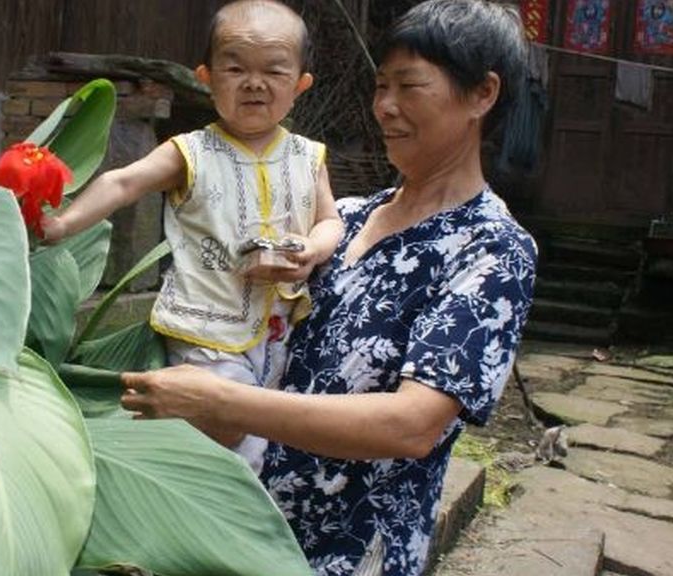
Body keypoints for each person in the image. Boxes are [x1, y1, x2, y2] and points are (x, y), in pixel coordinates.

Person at [120, 1, 537, 575]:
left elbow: (413, 426)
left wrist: (220, 400)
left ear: (482, 94)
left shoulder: (491, 249)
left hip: (348, 553)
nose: (385, 107)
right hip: (241, 530)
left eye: (410, 86)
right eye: (381, 85)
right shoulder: (340, 219)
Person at [43, 0, 344, 473]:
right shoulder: (191, 152)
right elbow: (123, 182)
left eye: (274, 71)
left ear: (300, 84)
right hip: (207, 330)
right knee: (232, 438)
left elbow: (330, 222)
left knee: (263, 434)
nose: (255, 83)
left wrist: (312, 249)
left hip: (279, 331)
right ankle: (226, 522)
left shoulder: (309, 157)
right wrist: (61, 224)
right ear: (206, 76)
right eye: (235, 67)